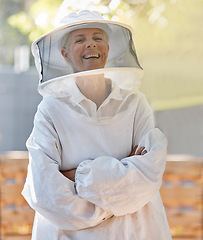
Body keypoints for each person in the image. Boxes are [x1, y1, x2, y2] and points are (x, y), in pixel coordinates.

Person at [22, 10, 172, 240]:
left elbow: (148, 176)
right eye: (80, 40)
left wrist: (78, 175)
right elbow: (46, 192)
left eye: (97, 38)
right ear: (65, 54)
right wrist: (115, 196)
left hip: (136, 232)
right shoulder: (50, 110)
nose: (90, 44)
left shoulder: (135, 104)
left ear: (108, 48)